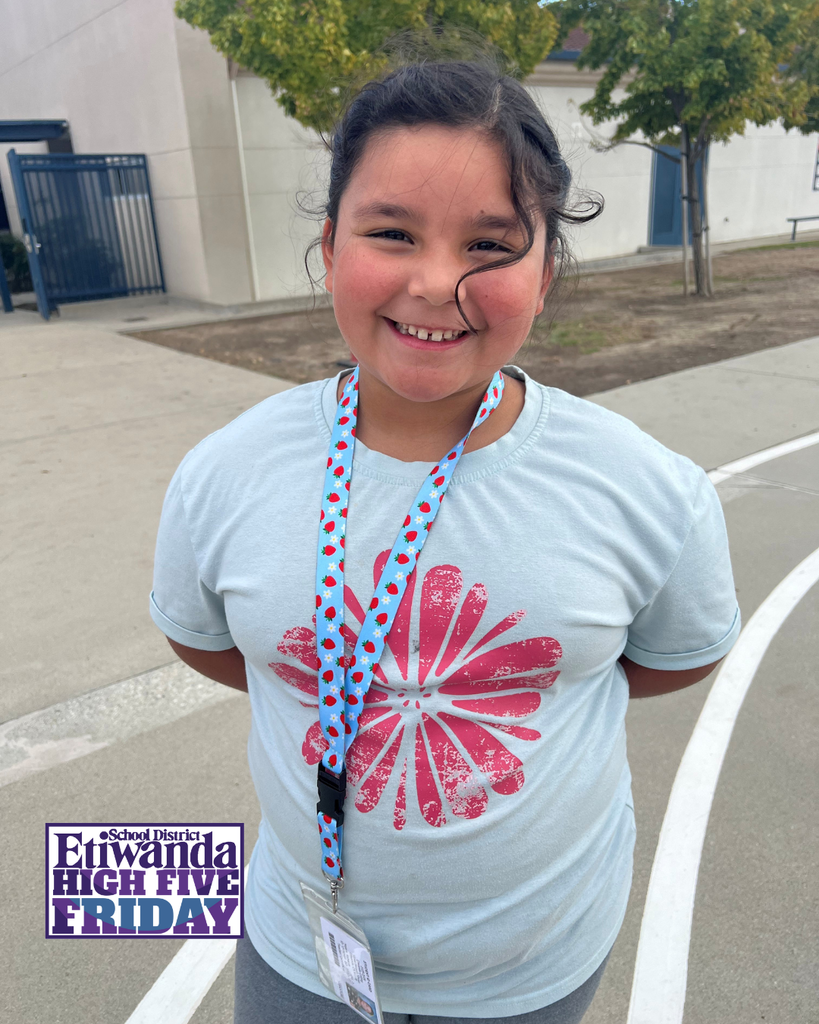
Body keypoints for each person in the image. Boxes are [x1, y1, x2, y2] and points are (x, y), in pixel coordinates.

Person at [149, 60, 741, 1024]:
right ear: (329, 243)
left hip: (532, 967)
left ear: (545, 271)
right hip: (302, 947)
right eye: (391, 233)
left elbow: (673, 659)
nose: (434, 283)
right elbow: (209, 640)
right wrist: (345, 687)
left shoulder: (644, 489)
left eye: (489, 244)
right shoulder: (226, 473)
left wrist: (513, 684)